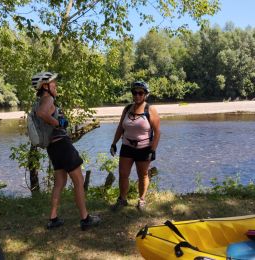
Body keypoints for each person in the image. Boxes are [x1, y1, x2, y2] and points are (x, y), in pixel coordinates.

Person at [31, 72, 101, 230]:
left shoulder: (39, 101)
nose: (56, 85)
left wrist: (56, 121)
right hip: (62, 144)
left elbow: (41, 113)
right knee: (78, 181)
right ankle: (85, 219)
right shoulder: (48, 99)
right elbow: (43, 114)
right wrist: (58, 123)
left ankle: (53, 218)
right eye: (53, 83)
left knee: (60, 182)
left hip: (53, 148)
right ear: (45, 86)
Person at [110, 81, 160, 211]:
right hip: (126, 146)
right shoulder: (127, 109)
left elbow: (158, 132)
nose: (137, 95)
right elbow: (120, 127)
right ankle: (122, 199)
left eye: (140, 93)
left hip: (144, 148)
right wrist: (114, 143)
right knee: (123, 174)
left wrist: (153, 150)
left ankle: (142, 199)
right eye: (134, 92)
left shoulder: (150, 110)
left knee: (143, 175)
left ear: (145, 95)